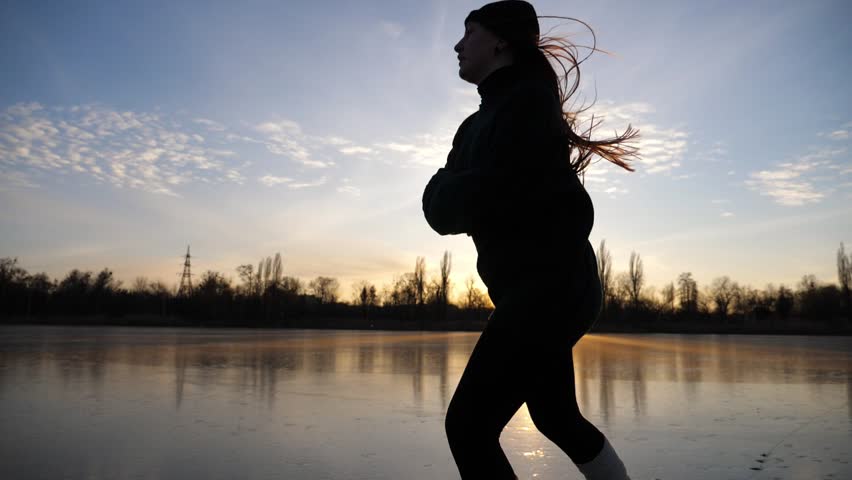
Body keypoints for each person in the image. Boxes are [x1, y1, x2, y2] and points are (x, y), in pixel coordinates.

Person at [421, 1, 639, 479]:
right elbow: (443, 211)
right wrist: (459, 188)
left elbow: (463, 195)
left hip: (549, 293)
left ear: (500, 40)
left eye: (469, 32)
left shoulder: (528, 105)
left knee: (469, 426)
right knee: (556, 416)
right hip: (536, 293)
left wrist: (454, 184)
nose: (458, 45)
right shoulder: (478, 123)